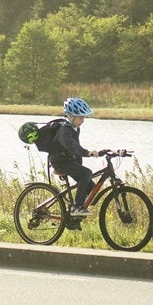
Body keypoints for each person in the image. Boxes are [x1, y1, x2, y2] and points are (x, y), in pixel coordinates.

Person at [47, 96, 104, 224]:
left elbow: (76, 149)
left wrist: (80, 165)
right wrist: (87, 153)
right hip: (60, 162)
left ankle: (73, 218)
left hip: (69, 161)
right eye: (80, 117)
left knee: (91, 188)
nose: (82, 120)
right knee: (87, 173)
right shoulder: (64, 130)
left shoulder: (75, 128)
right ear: (70, 116)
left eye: (83, 118)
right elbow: (72, 147)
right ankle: (76, 208)